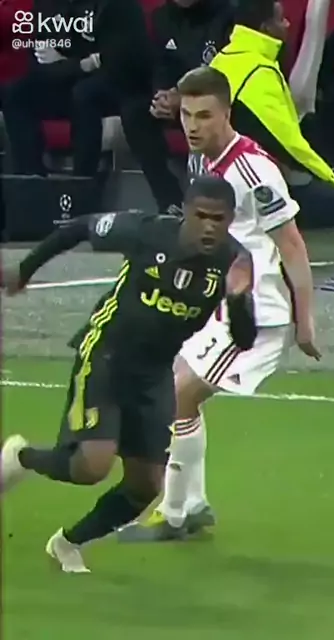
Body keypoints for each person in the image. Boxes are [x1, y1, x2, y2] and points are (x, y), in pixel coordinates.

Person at [0, 174, 257, 573]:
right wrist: (25, 269)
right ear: (185, 212)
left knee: (146, 485)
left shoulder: (235, 263)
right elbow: (82, 227)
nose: (209, 226)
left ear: (230, 220)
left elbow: (243, 338)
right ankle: (21, 457)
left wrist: (238, 299)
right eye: (201, 216)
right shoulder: (147, 232)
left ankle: (67, 543)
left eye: (218, 219)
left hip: (154, 374)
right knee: (92, 466)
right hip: (107, 353)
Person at [117, 65, 320, 543]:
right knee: (176, 393)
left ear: (226, 113)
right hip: (222, 304)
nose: (192, 126)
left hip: (255, 313)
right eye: (186, 115)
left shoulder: (253, 171)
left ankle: (172, 513)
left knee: (176, 395)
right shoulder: (204, 163)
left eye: (204, 116)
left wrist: (306, 320)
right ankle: (193, 505)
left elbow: (291, 244)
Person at [208, 0, 334, 236]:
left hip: (227, 175)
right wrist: (331, 181)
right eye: (280, 19)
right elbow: (289, 146)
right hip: (253, 187)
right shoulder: (257, 71)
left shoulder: (225, 57)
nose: (287, 24)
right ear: (266, 27)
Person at [120, 0, 234, 210]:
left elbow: (227, 75)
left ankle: (216, 203)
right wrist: (162, 95)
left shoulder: (229, 14)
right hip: (177, 101)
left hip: (217, 100)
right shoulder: (162, 17)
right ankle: (170, 203)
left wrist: (183, 97)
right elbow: (162, 64)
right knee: (134, 114)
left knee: (204, 115)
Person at [2, 0, 118, 177]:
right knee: (14, 92)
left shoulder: (109, 6)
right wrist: (77, 65)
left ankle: (82, 181)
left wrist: (66, 63)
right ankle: (31, 178)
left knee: (85, 94)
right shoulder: (46, 5)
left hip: (101, 88)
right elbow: (39, 60)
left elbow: (110, 59)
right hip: (62, 83)